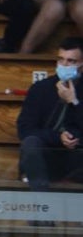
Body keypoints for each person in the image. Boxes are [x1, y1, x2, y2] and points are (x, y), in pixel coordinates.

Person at [17, 37, 83, 194]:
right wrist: (58, 138)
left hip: (78, 158)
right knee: (31, 143)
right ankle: (43, 209)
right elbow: (25, 130)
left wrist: (74, 101)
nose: (64, 65)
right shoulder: (41, 89)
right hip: (47, 157)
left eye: (71, 61)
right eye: (61, 60)